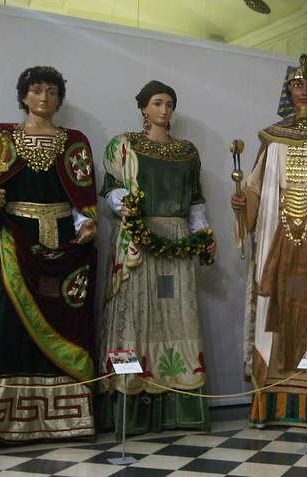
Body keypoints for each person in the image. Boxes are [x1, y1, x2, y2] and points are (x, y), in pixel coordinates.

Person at [0, 66, 98, 444]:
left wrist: (85, 222)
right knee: (6, 322)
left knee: (64, 319)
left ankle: (66, 415)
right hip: (11, 242)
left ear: (59, 98)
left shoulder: (75, 141)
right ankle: (0, 419)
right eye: (36, 90)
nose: (43, 97)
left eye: (51, 91)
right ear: (23, 96)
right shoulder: (0, 138)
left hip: (64, 245)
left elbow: (80, 194)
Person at [230, 54, 307, 430]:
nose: (304, 91)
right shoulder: (272, 137)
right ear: (288, 90)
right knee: (271, 306)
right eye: (298, 84)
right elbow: (255, 187)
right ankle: (270, 400)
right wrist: (243, 204)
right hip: (277, 238)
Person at [97, 80, 216, 435]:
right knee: (137, 313)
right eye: (157, 103)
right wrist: (126, 206)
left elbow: (195, 200)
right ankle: (131, 407)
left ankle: (179, 405)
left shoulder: (187, 151)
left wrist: (204, 234)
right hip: (139, 238)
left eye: (169, 104)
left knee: (177, 314)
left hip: (177, 239)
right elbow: (112, 189)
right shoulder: (124, 145)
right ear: (143, 107)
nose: (164, 110)